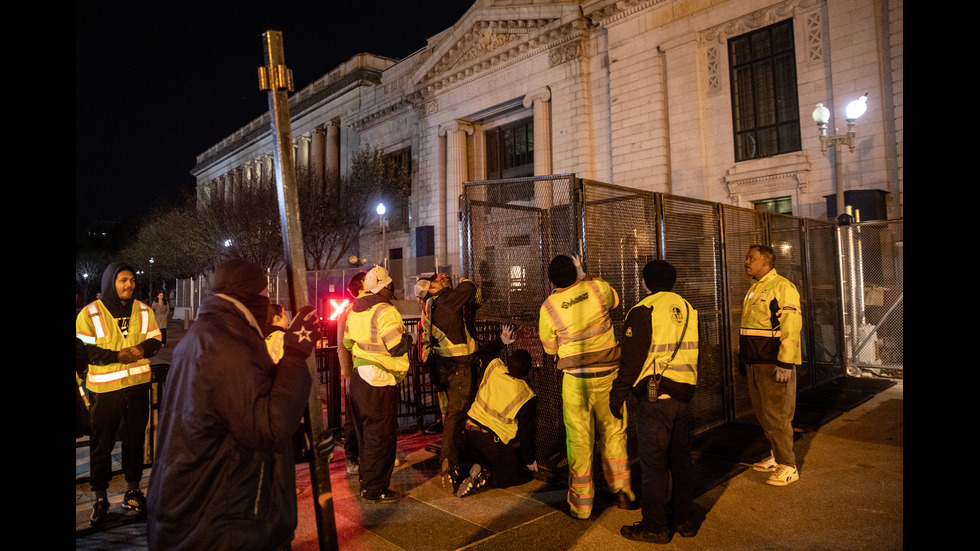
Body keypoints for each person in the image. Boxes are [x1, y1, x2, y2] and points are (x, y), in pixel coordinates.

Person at [146, 258, 318, 550]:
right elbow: (268, 426)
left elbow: (234, 414)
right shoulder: (226, 342)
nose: (267, 303)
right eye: (264, 295)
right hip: (221, 520)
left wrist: (297, 439)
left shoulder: (209, 334)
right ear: (250, 296)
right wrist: (295, 354)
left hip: (202, 509)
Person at [538, 254, 636, 519]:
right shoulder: (596, 287)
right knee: (614, 430)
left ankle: (582, 507)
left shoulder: (549, 307)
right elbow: (615, 300)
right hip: (609, 375)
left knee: (579, 440)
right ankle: (623, 491)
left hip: (576, 381)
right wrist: (585, 276)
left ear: (551, 279)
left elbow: (549, 350)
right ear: (576, 269)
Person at [611, 260, 700, 543]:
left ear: (646, 282)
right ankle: (685, 520)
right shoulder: (687, 308)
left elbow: (632, 359)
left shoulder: (643, 309)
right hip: (684, 395)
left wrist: (618, 394)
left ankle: (655, 526)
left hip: (656, 397)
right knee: (681, 461)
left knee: (654, 465)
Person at [76, 262, 162, 525]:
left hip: (137, 387)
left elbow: (156, 339)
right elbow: (84, 352)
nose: (129, 285)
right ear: (110, 282)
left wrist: (141, 351)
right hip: (105, 391)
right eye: (123, 280)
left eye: (132, 280)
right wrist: (118, 355)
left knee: (135, 440)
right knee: (102, 445)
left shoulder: (144, 310)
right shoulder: (89, 314)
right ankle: (100, 498)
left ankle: (133, 491)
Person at [344, 265, 414, 503]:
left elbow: (346, 341)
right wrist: (410, 338)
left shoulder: (354, 310)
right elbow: (395, 346)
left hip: (359, 378)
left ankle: (367, 482)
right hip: (380, 379)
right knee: (381, 436)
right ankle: (375, 489)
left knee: (367, 434)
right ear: (386, 286)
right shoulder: (385, 310)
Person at [740, 244, 803, 486]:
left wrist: (785, 363)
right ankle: (777, 456)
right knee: (765, 415)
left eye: (751, 258)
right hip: (757, 362)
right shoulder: (756, 288)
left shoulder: (782, 287)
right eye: (747, 258)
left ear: (766, 262)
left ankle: (788, 466)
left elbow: (791, 325)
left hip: (773, 363)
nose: (746, 262)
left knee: (777, 415)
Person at [415, 272, 480, 493]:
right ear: (431, 288)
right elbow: (470, 287)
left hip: (444, 366)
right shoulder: (445, 301)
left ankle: (455, 456)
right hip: (459, 368)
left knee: (451, 413)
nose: (445, 280)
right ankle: (449, 463)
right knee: (457, 414)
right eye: (440, 280)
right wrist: (465, 280)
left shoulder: (430, 307)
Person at [456, 323, 538, 498]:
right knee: (518, 474)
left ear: (509, 363)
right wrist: (529, 460)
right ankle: (487, 477)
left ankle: (464, 468)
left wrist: (502, 341)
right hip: (491, 440)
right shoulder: (526, 394)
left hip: (468, 432)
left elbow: (487, 353)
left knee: (480, 458)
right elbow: (526, 432)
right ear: (528, 371)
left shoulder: (495, 368)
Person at [337, 271, 366, 476]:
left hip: (371, 370)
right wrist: (347, 375)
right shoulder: (348, 311)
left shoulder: (375, 307)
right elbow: (342, 346)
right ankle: (352, 456)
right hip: (357, 371)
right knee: (353, 417)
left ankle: (369, 456)